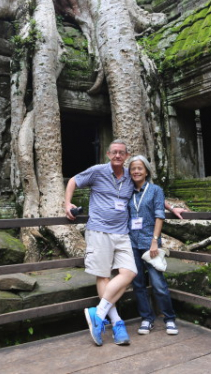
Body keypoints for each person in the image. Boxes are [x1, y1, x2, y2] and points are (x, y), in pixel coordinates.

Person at [65, 139, 136, 346]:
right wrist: (67, 203)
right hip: (99, 231)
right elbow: (73, 181)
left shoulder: (130, 177)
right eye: (114, 152)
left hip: (122, 233)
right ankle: (117, 323)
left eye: (121, 153)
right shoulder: (97, 171)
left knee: (129, 273)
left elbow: (149, 190)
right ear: (107, 154)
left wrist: (169, 207)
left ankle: (99, 311)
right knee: (103, 275)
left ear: (126, 156)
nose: (117, 156)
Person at [127, 155, 179, 336]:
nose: (136, 171)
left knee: (158, 283)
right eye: (133, 168)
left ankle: (169, 318)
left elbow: (159, 215)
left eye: (139, 168)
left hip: (151, 243)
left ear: (147, 171)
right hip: (132, 242)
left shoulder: (155, 190)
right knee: (138, 283)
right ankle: (147, 318)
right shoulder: (128, 192)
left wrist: (155, 240)